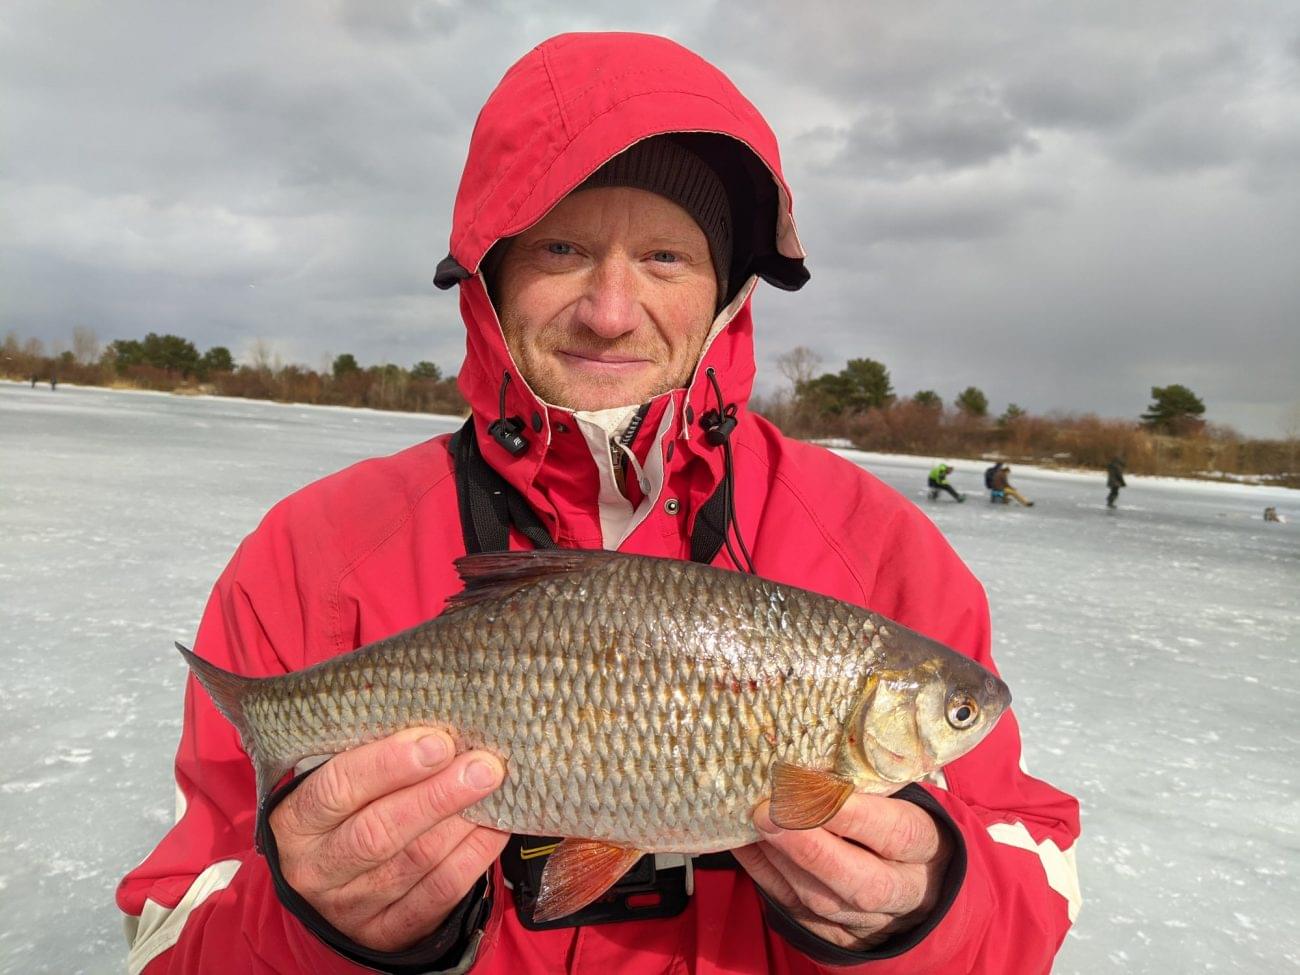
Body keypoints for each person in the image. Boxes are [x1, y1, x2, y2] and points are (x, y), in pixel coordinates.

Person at [118, 33, 1080, 975]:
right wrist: (313, 932)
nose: (611, 309)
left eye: (666, 257)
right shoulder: (309, 555)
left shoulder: (884, 552)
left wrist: (928, 918)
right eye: (563, 247)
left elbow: (1032, 891)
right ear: (490, 274)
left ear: (726, 293)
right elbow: (169, 936)